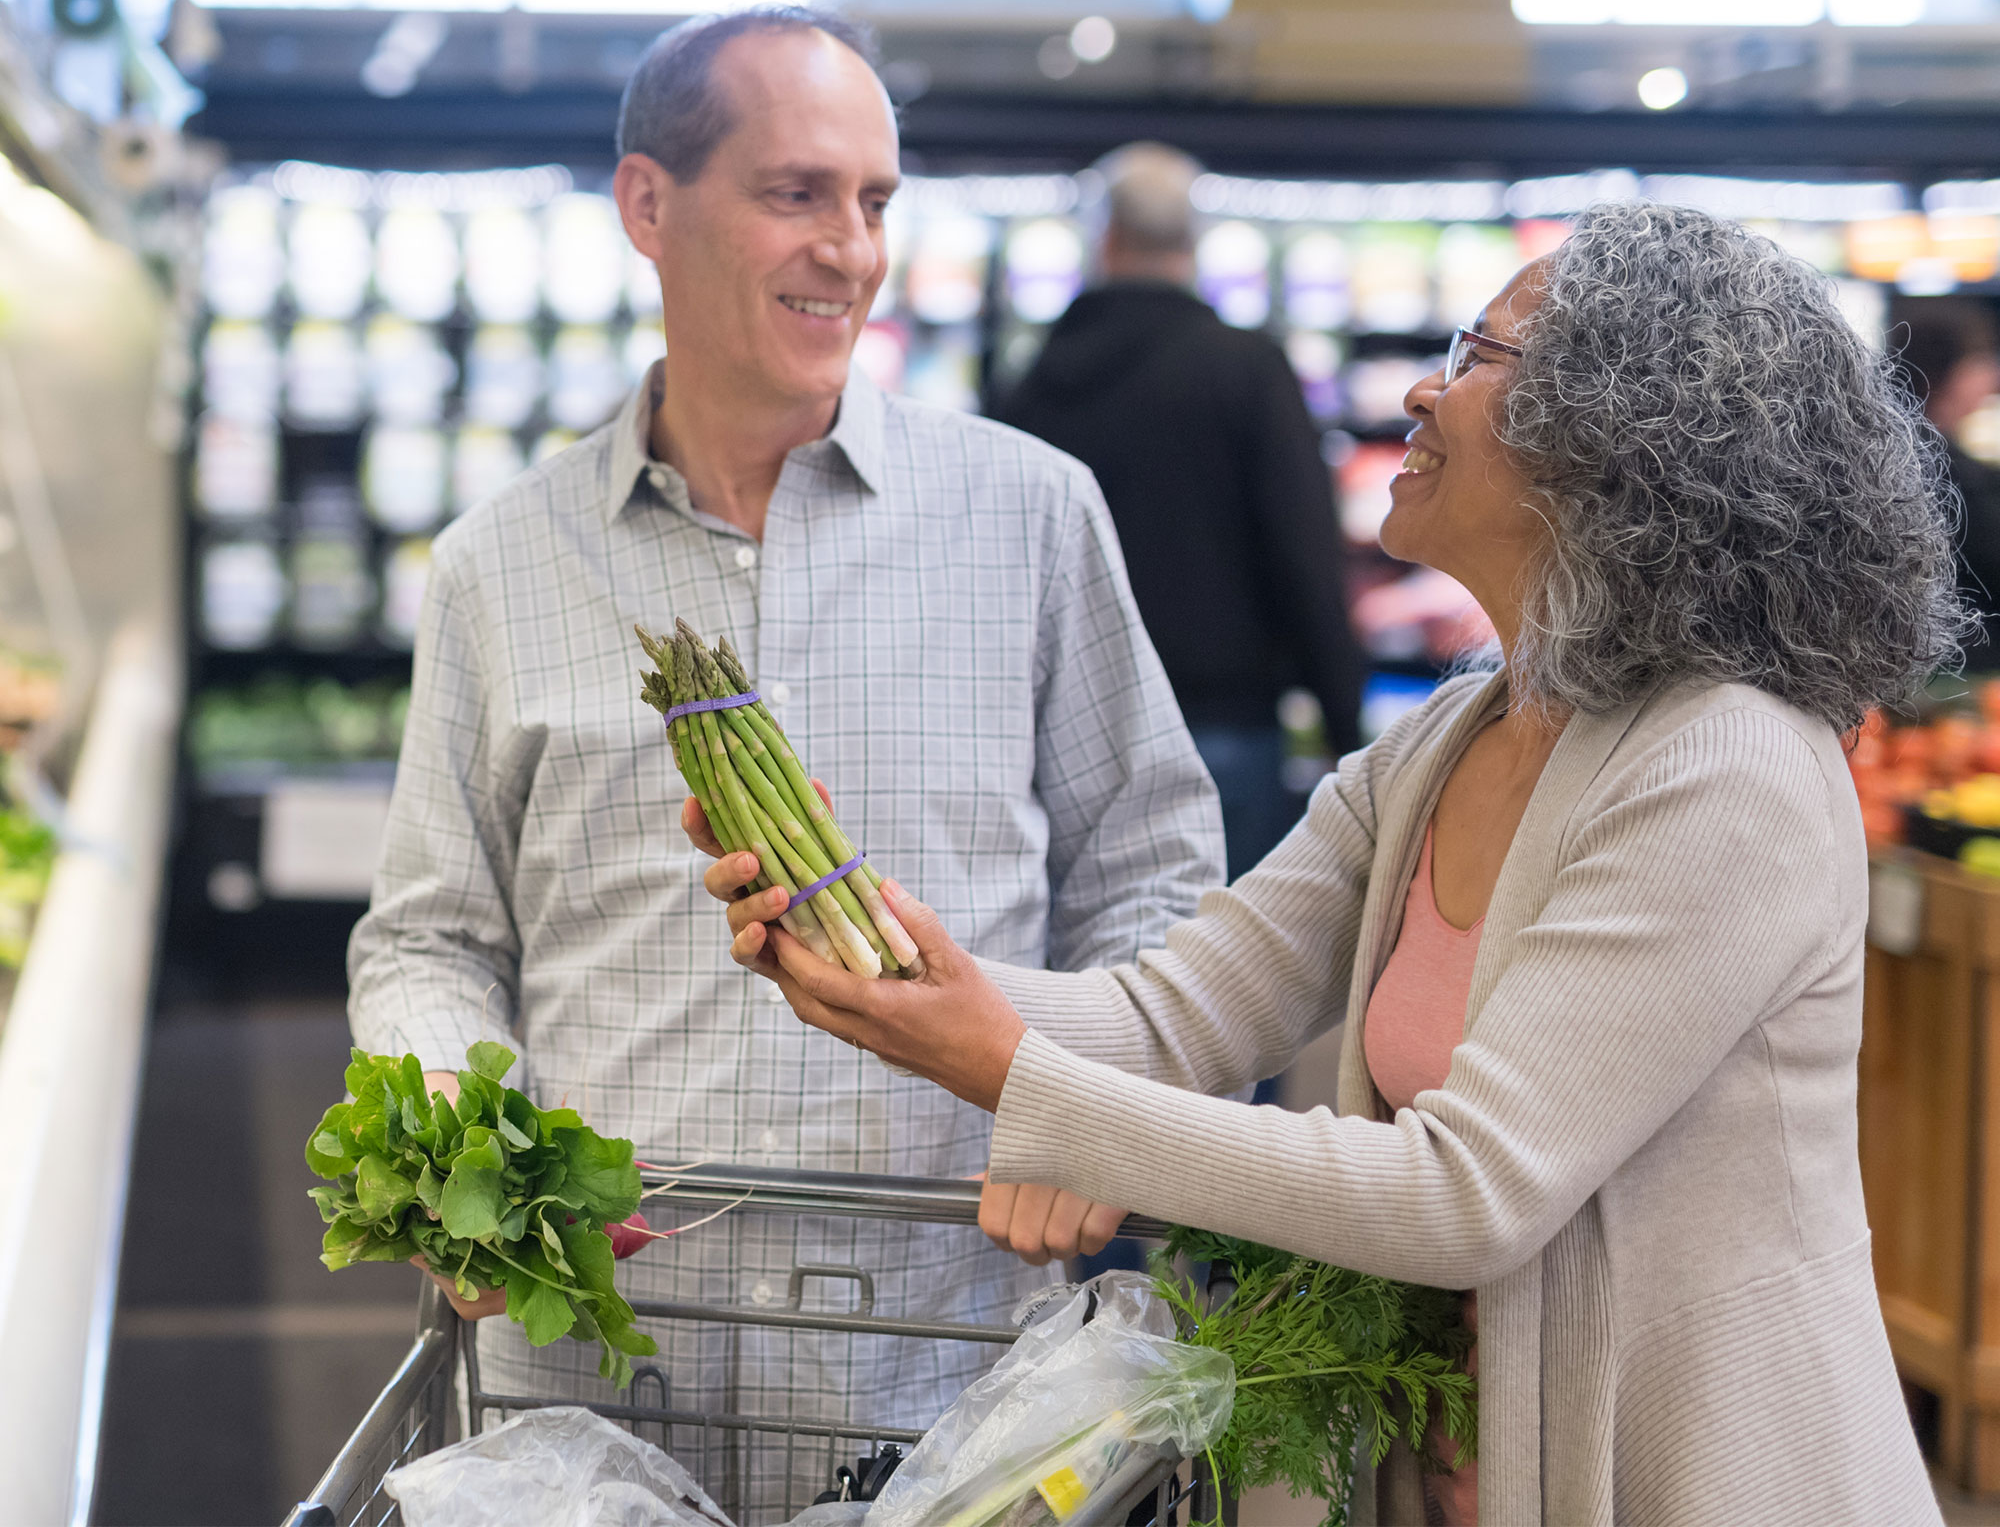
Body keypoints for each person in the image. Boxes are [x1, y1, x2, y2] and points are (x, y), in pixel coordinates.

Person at [703, 202, 1959, 1526]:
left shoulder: (1728, 769)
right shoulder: (1442, 746)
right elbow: (1173, 1013)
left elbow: (1463, 1191)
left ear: (1616, 441)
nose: (1424, 386)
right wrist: (870, 955)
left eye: (1479, 359)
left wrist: (1007, 1075)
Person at [346, 6, 1222, 1511]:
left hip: (945, 1384)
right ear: (648, 205)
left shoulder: (1030, 516)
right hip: (593, 1390)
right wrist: (449, 1149)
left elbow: (1156, 873)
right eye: (796, 193)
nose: (851, 249)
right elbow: (435, 931)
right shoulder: (504, 562)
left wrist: (1096, 1100)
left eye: (875, 201)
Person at [1000, 142, 1364, 882]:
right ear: (1192, 246)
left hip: (1070, 737)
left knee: (1101, 980)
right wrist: (1346, 730)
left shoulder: (1033, 383)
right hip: (1224, 731)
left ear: (1103, 242)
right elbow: (1304, 556)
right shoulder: (1246, 368)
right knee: (1230, 981)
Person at [1891, 294, 2000, 670]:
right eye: (1981, 361)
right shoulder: (1950, 470)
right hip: (1962, 666)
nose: (1991, 376)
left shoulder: (1890, 448)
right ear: (1948, 372)